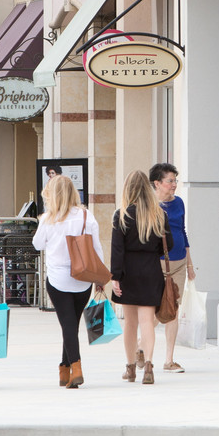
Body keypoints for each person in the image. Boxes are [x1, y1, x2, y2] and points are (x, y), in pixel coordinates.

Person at [32, 174, 105, 389]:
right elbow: (97, 248)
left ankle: (76, 367)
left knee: (67, 325)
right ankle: (64, 370)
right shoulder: (85, 216)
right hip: (83, 279)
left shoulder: (48, 219)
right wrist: (100, 278)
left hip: (58, 279)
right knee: (71, 324)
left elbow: (37, 244)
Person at [110, 169, 167, 385]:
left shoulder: (122, 214)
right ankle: (150, 366)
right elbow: (168, 245)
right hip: (151, 270)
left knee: (130, 324)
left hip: (128, 273)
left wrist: (115, 276)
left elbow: (117, 249)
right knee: (147, 323)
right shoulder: (159, 214)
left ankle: (131, 367)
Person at [150, 162, 195, 373]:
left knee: (172, 310)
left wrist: (190, 263)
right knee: (154, 311)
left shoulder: (179, 204)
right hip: (156, 263)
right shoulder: (148, 206)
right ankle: (142, 347)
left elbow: (183, 232)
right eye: (170, 181)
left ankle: (169, 359)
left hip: (178, 263)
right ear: (157, 183)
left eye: (175, 181)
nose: (174, 185)